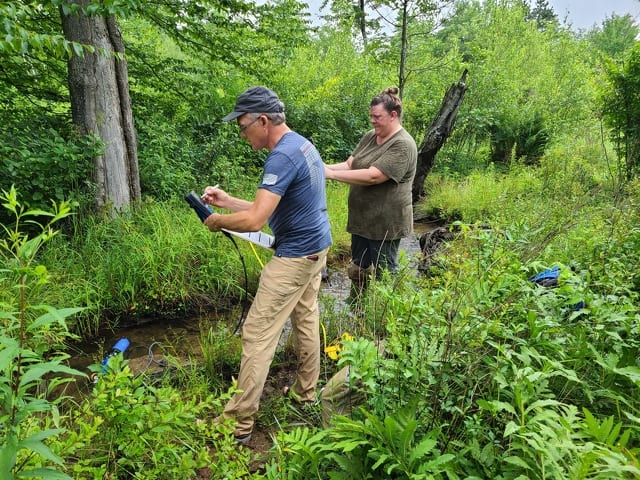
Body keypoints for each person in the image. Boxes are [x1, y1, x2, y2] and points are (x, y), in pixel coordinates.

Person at [201, 86, 332, 445]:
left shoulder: (281, 157)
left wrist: (218, 220)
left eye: (243, 126)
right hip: (316, 249)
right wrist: (227, 202)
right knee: (306, 319)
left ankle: (238, 424)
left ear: (262, 120)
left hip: (294, 257)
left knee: (257, 335)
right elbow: (267, 207)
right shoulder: (301, 144)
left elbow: (257, 220)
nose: (242, 133)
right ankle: (307, 394)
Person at [324, 87, 417, 299]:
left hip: (386, 223)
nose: (372, 121)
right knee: (358, 268)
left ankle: (385, 318)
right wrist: (322, 167)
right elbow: (350, 165)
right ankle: (357, 308)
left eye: (377, 116)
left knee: (385, 274)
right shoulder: (370, 136)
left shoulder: (403, 144)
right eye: (371, 116)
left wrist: (329, 174)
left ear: (393, 115)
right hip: (362, 220)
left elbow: (374, 176)